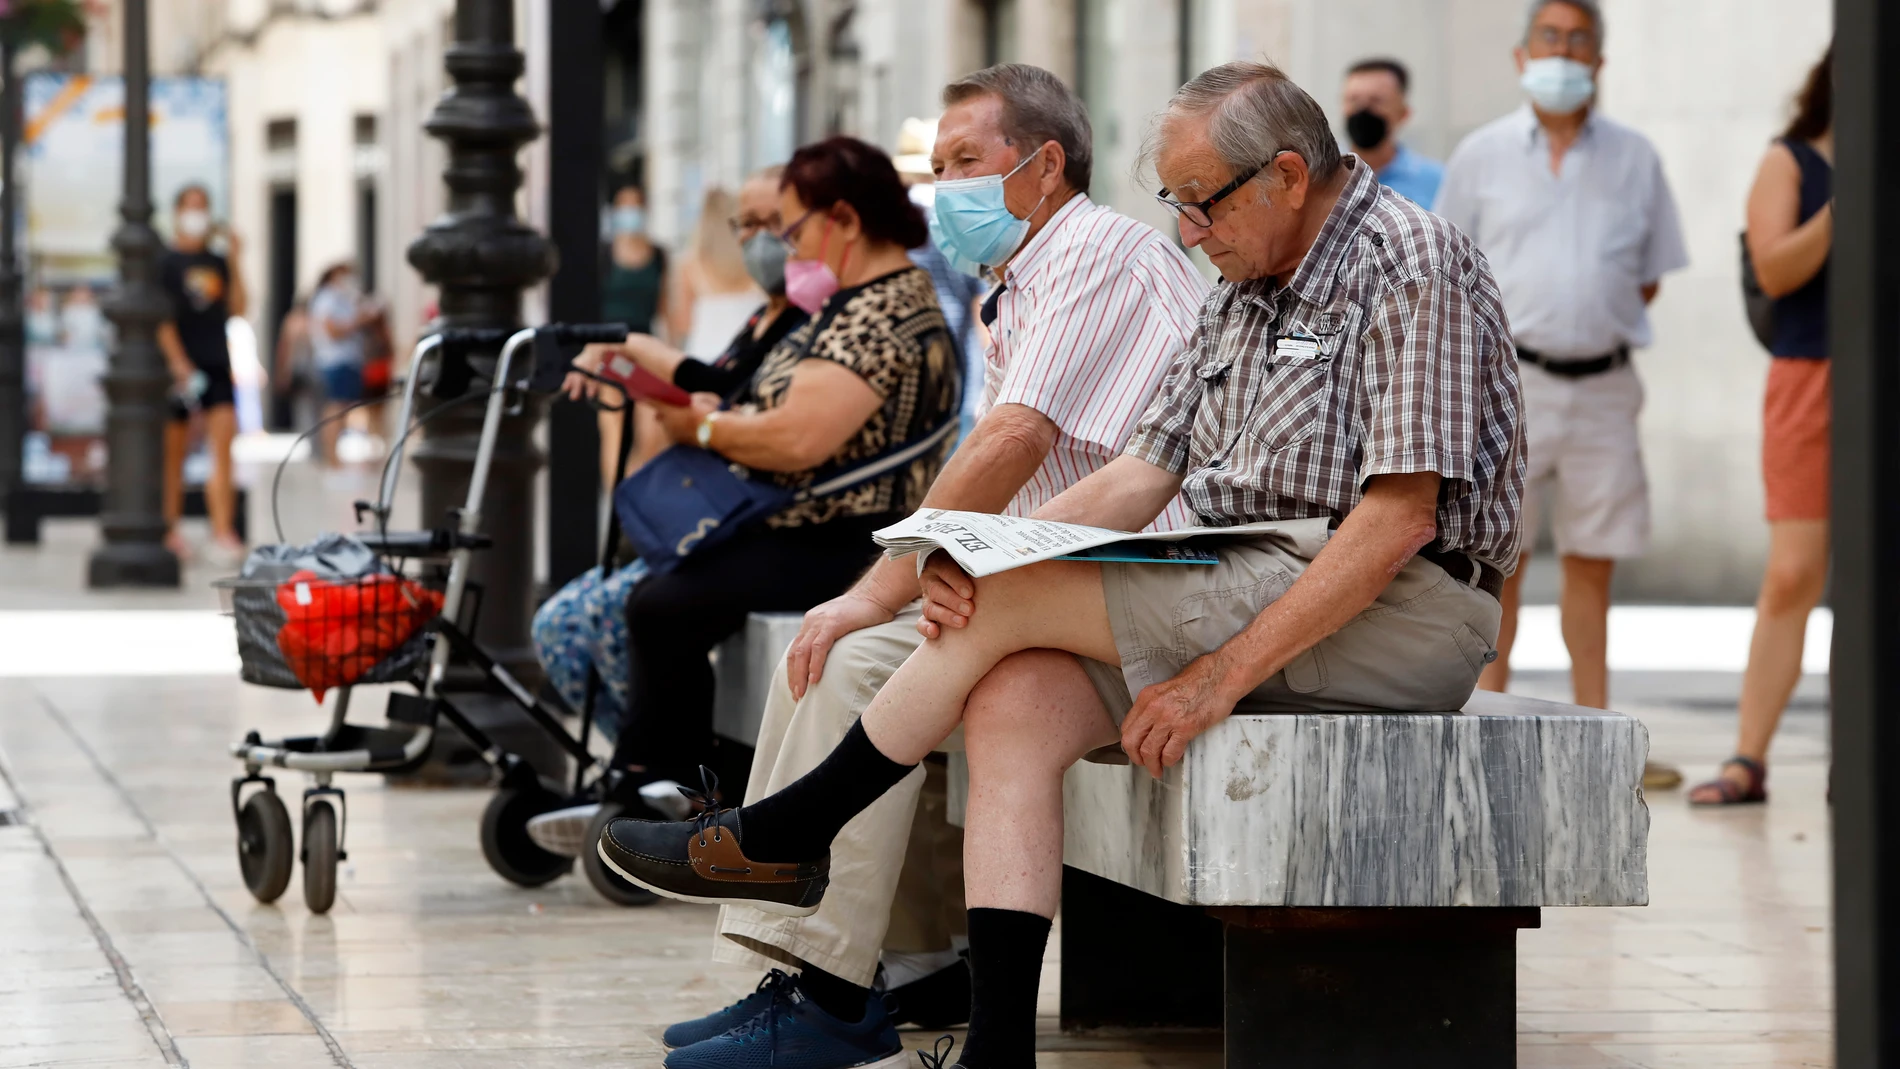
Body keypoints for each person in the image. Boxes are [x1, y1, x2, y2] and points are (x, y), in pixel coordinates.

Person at [603, 60, 1522, 1069]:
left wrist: (1215, 678)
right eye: (1174, 203)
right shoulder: (1244, 283)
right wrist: (986, 549)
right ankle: (998, 1051)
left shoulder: (1408, 261)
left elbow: (1397, 519)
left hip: (1399, 607)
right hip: (1240, 570)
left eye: (1199, 202)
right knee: (1013, 699)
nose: (1188, 231)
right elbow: (1139, 469)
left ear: (1287, 175)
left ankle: (785, 832)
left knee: (986, 612)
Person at [642, 64, 1207, 1069]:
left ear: (1042, 167)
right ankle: (828, 979)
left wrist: (889, 580)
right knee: (832, 654)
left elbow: (1013, 443)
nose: (942, 188)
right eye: (934, 165)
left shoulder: (1095, 253)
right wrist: (931, 572)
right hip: (1036, 571)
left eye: (962, 164)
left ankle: (813, 945)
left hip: (1136, 579)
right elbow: (1008, 469)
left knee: (856, 644)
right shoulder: (1013, 282)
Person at [573, 137, 962, 859]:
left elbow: (795, 439)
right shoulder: (851, 303)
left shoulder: (883, 313)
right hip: (806, 526)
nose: (784, 246)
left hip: (855, 536)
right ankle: (672, 779)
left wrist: (705, 427)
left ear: (842, 218)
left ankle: (676, 786)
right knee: (661, 597)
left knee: (664, 603)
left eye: (791, 227)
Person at [1436, 0, 1688, 789]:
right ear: (1521, 56)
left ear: (1600, 60)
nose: (1564, 52)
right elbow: (1453, 271)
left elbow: (1645, 274)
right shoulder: (1479, 156)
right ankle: (1485, 731)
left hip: (1604, 386)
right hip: (1511, 387)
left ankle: (1599, 739)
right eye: (1550, 37)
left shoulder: (1637, 158)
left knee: (1593, 562)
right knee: (1495, 562)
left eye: (1580, 40)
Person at [527, 166, 807, 834]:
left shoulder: (818, 314)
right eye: (747, 225)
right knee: (586, 614)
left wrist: (703, 420)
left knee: (648, 605)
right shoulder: (768, 314)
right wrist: (626, 358)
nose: (759, 239)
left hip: (769, 517)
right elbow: (713, 379)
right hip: (726, 505)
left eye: (774, 223)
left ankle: (665, 777)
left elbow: (772, 425)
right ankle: (655, 772)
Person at [1689, 46, 1833, 807]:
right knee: (1792, 574)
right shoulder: (1793, 161)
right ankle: (1749, 754)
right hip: (1814, 377)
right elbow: (1776, 270)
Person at [159, 183, 247, 563]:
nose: (196, 212)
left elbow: (239, 306)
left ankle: (222, 530)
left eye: (203, 206)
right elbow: (161, 319)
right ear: (177, 210)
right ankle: (171, 529)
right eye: (190, 206)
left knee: (223, 449)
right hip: (179, 368)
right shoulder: (165, 262)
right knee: (174, 453)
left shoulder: (218, 261)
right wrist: (178, 362)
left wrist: (237, 258)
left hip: (216, 364)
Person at [893, 115, 990, 437]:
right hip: (957, 380)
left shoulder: (891, 227)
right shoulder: (964, 225)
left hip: (902, 380)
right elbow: (981, 306)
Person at [599, 183, 672, 485]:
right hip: (611, 349)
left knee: (650, 429)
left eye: (635, 205)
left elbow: (666, 308)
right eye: (623, 206)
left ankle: (640, 490)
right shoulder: (603, 254)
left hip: (646, 348)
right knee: (613, 423)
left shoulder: (657, 255)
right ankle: (618, 494)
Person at [669, 187, 765, 362]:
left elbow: (682, 322)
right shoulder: (756, 260)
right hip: (750, 357)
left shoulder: (691, 264)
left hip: (704, 357)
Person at [1340, 57, 1443, 206]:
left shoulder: (1436, 182)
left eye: (1376, 101)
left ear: (1403, 113)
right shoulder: (1321, 175)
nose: (1362, 110)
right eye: (1353, 100)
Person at [308, 262, 378, 468]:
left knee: (344, 407)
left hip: (348, 360)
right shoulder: (328, 298)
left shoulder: (343, 298)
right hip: (336, 360)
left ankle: (334, 454)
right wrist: (358, 321)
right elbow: (333, 330)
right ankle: (331, 456)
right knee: (336, 407)